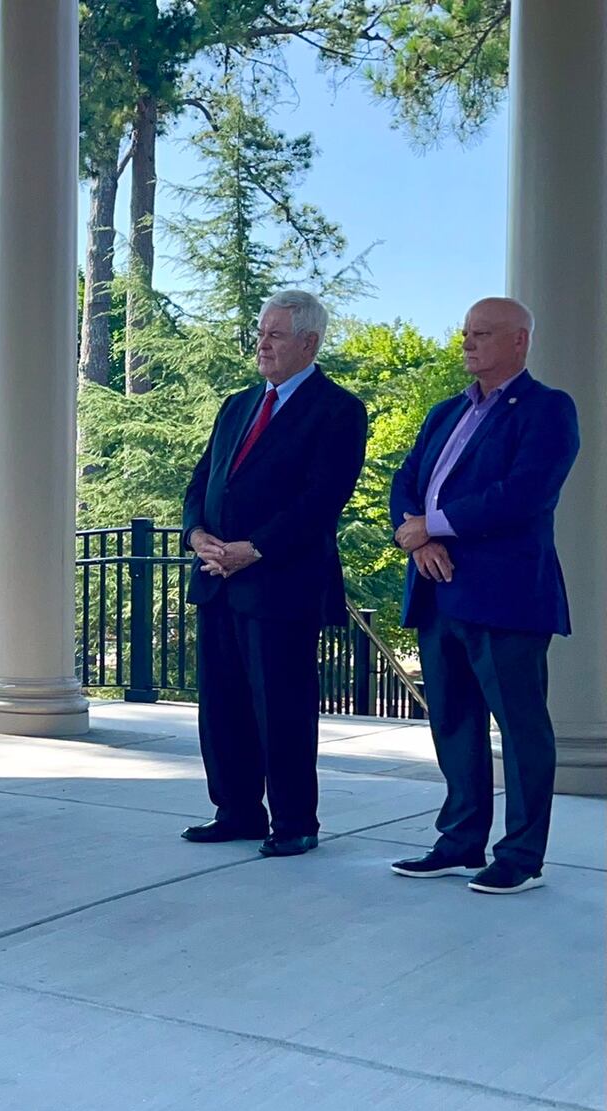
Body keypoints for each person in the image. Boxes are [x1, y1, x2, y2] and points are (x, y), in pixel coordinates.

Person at [387, 297, 579, 895]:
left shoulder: (547, 409)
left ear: (520, 341)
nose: (468, 343)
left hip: (505, 598)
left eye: (484, 334)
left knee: (520, 729)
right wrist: (417, 540)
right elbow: (406, 481)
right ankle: (460, 843)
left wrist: (434, 526)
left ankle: (521, 857)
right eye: (467, 332)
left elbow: (523, 495)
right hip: (438, 590)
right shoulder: (447, 410)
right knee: (454, 723)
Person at [181, 290, 366, 856]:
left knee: (281, 706)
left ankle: (294, 822)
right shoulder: (237, 405)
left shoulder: (337, 410)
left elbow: (320, 501)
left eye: (276, 334)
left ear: (308, 342)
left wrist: (254, 548)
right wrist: (197, 536)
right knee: (221, 705)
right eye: (261, 332)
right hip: (217, 580)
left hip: (279, 585)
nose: (262, 343)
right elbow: (200, 483)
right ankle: (236, 811)